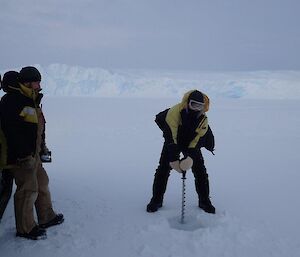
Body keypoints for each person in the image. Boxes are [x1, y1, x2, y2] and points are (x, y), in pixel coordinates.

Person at [0, 66, 64, 240]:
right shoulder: (13, 101)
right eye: (37, 81)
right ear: (28, 82)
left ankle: (46, 217)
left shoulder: (32, 99)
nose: (39, 84)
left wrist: (42, 148)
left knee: (42, 183)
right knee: (27, 190)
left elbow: (38, 128)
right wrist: (23, 155)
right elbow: (12, 132)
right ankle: (25, 228)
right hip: (21, 157)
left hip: (33, 154)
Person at [146, 90, 216, 214]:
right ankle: (156, 200)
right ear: (187, 102)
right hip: (173, 140)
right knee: (163, 169)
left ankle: (204, 201)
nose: (196, 108)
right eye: (193, 104)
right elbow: (169, 136)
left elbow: (197, 140)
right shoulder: (174, 112)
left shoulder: (203, 119)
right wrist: (173, 159)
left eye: (199, 105)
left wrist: (190, 157)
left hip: (191, 143)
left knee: (200, 171)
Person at [0, 71, 18, 221]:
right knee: (5, 190)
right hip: (6, 157)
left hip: (6, 156)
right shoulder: (9, 103)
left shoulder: (5, 102)